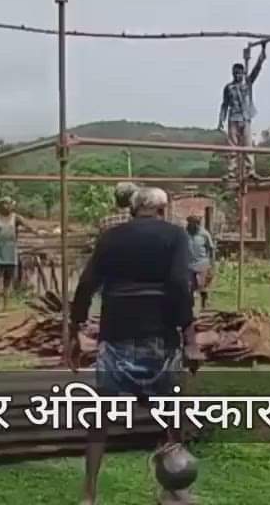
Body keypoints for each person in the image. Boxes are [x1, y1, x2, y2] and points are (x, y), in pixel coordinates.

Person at [68, 187, 200, 505]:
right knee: (171, 417)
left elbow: (87, 284)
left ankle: (89, 494)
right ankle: (174, 489)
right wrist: (190, 338)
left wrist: (75, 328)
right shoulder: (175, 236)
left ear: (132, 209)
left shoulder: (111, 237)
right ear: (163, 210)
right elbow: (180, 284)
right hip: (160, 337)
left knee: (101, 418)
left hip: (116, 335)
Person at [216, 44, 268, 181]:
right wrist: (221, 119)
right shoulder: (229, 87)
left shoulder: (247, 84)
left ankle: (250, 170)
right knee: (232, 147)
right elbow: (224, 104)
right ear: (232, 73)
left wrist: (262, 52)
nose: (237, 75)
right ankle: (231, 172)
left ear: (243, 73)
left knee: (248, 146)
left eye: (240, 73)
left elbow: (257, 69)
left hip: (245, 118)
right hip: (233, 118)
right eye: (235, 73)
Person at [0, 197, 35, 313]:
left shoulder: (16, 218)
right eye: (4, 204)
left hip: (10, 253)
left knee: (7, 282)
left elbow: (28, 226)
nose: (6, 206)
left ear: (12, 206)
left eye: (8, 204)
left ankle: (5, 307)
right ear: (0, 206)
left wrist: (37, 231)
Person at [185, 215, 216, 310]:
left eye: (196, 223)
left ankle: (204, 302)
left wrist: (212, 263)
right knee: (189, 285)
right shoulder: (185, 234)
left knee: (201, 285)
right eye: (191, 223)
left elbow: (211, 248)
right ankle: (190, 305)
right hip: (189, 264)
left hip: (202, 262)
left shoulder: (204, 234)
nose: (193, 225)